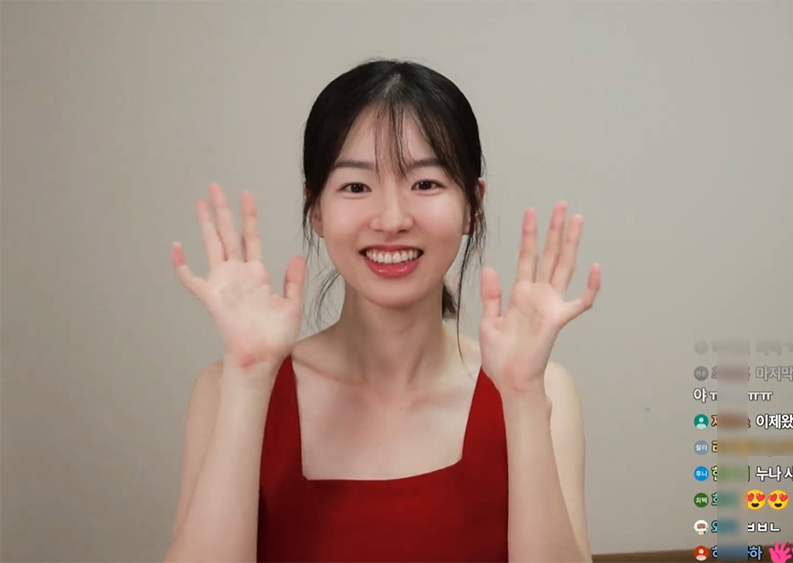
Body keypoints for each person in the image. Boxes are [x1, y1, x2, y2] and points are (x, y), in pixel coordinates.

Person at [163, 59, 601, 563]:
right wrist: (249, 377)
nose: (391, 220)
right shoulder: (229, 387)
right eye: (356, 186)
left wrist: (522, 399)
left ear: (473, 205)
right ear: (316, 209)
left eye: (425, 184)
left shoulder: (540, 390)